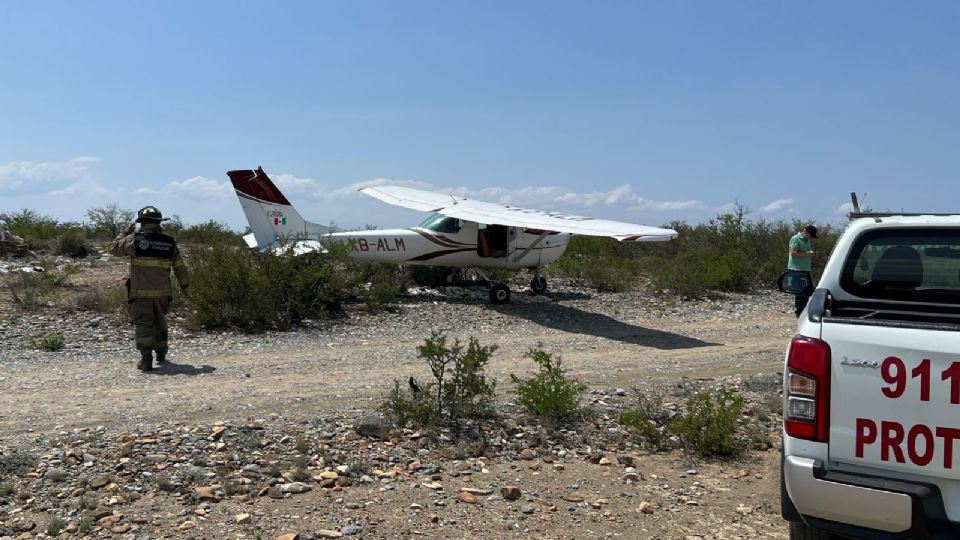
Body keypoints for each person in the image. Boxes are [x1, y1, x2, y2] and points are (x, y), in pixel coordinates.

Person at [108, 206, 189, 371]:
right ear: (159, 222)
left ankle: (146, 359)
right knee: (160, 322)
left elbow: (112, 248)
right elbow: (180, 267)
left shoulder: (135, 240)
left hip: (140, 293)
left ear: (142, 223)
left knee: (144, 324)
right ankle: (161, 354)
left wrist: (125, 233)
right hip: (162, 293)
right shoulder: (169, 242)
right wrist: (185, 286)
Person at [787, 224, 818, 317]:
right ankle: (799, 312)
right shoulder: (796, 239)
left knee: (808, 291)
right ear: (806, 232)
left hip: (805, 269)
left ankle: (805, 310)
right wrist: (808, 254)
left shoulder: (806, 240)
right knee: (800, 291)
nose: (811, 237)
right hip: (797, 269)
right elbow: (794, 253)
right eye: (810, 235)